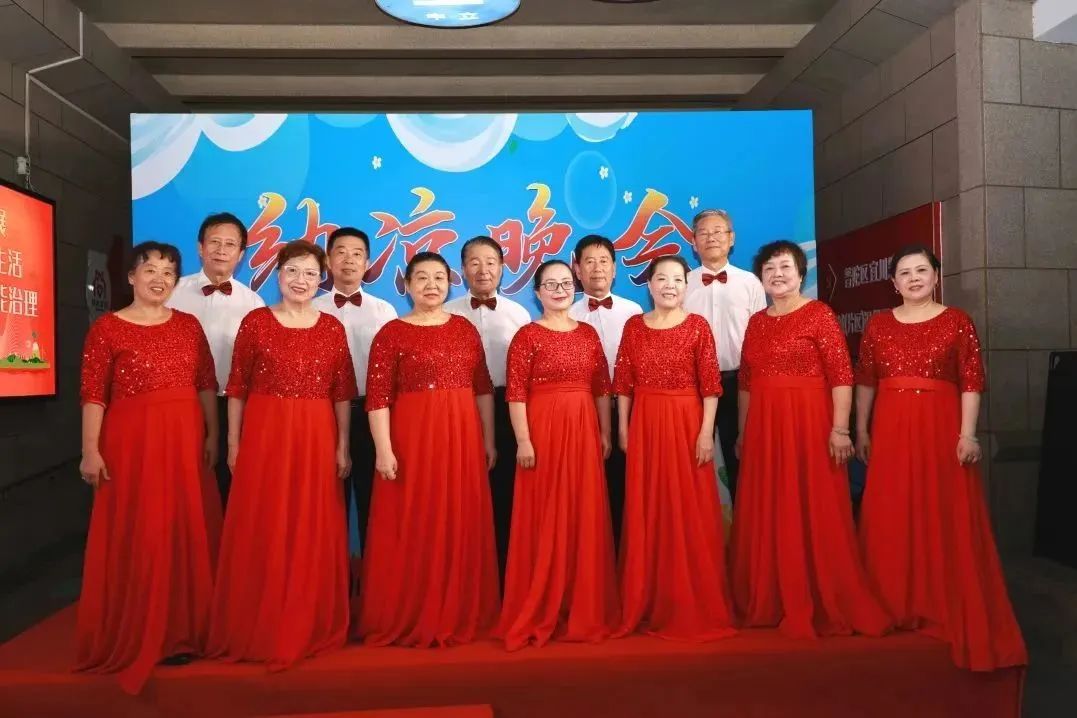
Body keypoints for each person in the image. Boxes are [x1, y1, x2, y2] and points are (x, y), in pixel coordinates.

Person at [855, 245, 1026, 671]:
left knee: (942, 510)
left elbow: (971, 381)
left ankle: (940, 602)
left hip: (941, 427)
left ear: (935, 276)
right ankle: (893, 601)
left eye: (921, 270)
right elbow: (866, 381)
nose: (913, 278)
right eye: (904, 272)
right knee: (893, 510)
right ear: (893, 282)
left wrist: (967, 434)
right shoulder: (878, 325)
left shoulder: (957, 322)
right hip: (891, 426)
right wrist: (861, 428)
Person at [76, 241, 221, 694]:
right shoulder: (107, 329)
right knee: (141, 528)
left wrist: (213, 435)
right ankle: (139, 628)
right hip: (131, 444)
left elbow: (205, 384)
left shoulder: (189, 325)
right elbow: (94, 394)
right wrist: (90, 450)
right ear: (131, 277)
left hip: (184, 440)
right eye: (150, 269)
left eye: (168, 272)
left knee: (182, 527)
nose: (159, 279)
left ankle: (182, 630)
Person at [729, 240, 891, 639]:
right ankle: (770, 595)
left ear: (801, 274)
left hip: (809, 423)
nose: (777, 274)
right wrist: (744, 432)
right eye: (769, 269)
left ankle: (820, 594)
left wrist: (840, 429)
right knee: (769, 505)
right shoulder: (757, 322)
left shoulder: (819, 314)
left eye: (785, 267)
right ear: (761, 277)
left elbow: (841, 375)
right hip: (765, 427)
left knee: (811, 502)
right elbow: (746, 383)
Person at [207, 240, 356, 670]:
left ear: (321, 279)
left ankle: (309, 619)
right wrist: (234, 443)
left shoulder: (332, 328)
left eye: (310, 273)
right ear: (278, 275)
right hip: (265, 433)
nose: (301, 280)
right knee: (266, 520)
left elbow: (342, 392)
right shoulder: (256, 322)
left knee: (312, 519)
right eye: (293, 271)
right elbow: (237, 387)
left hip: (317, 433)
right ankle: (262, 619)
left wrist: (343, 444)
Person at [358, 252, 500, 647]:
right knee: (414, 518)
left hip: (462, 437)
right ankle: (413, 609)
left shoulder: (464, 329)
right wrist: (384, 450)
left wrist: (488, 440)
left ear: (450, 283)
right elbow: (378, 398)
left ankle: (458, 608)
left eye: (439, 277)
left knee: (459, 516)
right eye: (422, 277)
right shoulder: (391, 333)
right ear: (407, 285)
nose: (431, 285)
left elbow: (482, 389)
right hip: (412, 438)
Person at [497, 260, 619, 650]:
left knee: (583, 510)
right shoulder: (526, 336)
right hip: (543, 429)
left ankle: (582, 602)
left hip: (583, 428)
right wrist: (523, 440)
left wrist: (604, 431)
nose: (560, 290)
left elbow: (601, 388)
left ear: (575, 287)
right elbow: (516, 393)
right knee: (545, 510)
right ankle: (543, 601)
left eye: (566, 283)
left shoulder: (587, 333)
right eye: (550, 284)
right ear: (537, 293)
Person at [613, 255, 737, 641]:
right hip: (646, 422)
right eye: (662, 279)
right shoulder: (634, 327)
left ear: (687, 285)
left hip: (688, 422)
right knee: (648, 506)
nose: (669, 285)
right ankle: (649, 599)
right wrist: (623, 428)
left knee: (690, 507)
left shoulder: (698, 326)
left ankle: (691, 599)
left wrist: (706, 433)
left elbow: (711, 386)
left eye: (677, 279)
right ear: (649, 286)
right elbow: (623, 383)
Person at [445, 236, 531, 584]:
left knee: (505, 490)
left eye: (491, 262)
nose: (483, 270)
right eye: (474, 262)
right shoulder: (447, 313)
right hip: (458, 406)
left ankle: (506, 575)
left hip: (509, 406)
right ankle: (466, 573)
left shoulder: (519, 314)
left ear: (502, 267)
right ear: (462, 269)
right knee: (462, 491)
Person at [168, 212, 265, 508]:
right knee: (179, 487)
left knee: (225, 490)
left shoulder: (254, 305)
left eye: (230, 244)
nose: (221, 250)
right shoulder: (171, 292)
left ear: (241, 254)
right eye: (214, 242)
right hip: (179, 405)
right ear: (200, 247)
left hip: (230, 409)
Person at [313, 227, 397, 553]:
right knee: (323, 503)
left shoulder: (385, 312)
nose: (349, 260)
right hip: (321, 416)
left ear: (368, 263)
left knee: (373, 503)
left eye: (357, 254)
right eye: (341, 252)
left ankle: (374, 576)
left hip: (370, 414)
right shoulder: (311, 309)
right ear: (328, 261)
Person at [684, 209, 766, 503]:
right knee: (695, 460)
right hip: (693, 388)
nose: (711, 238)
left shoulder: (751, 283)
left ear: (732, 239)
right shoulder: (682, 283)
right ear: (693, 243)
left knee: (741, 457)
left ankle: (744, 523)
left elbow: (762, 337)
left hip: (740, 384)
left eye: (718, 231)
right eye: (704, 233)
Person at [569, 234, 642, 550]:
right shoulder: (567, 313)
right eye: (589, 261)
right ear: (577, 269)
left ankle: (628, 555)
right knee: (588, 487)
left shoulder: (634, 311)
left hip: (630, 408)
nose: (597, 268)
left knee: (628, 486)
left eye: (603, 261)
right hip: (584, 412)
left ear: (614, 269)